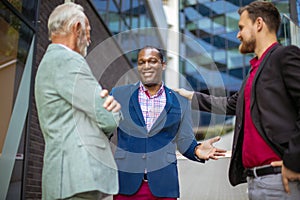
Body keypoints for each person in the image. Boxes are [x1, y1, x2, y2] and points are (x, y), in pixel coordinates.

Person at [174, 1, 300, 199]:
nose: (238, 35)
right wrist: (190, 97)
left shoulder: (284, 57)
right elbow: (229, 104)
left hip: (279, 179)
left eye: (241, 27)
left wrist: (294, 161)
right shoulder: (253, 71)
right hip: (255, 181)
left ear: (259, 24)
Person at [110, 46, 226, 200]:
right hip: (126, 184)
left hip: (164, 186)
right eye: (141, 62)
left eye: (152, 61)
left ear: (163, 65)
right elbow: (104, 130)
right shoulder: (119, 95)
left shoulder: (180, 102)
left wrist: (197, 149)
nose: (146, 66)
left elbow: (184, 141)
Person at [35, 2, 122, 200]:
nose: (89, 39)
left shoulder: (52, 61)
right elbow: (107, 117)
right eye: (88, 31)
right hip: (77, 179)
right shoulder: (67, 60)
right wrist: (115, 111)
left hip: (69, 179)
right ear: (77, 28)